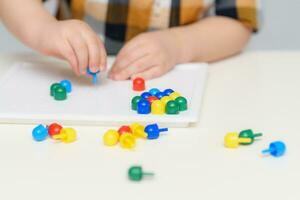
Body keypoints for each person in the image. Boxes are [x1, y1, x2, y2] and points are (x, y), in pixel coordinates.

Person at [0, 0, 261, 80]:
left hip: (178, 79)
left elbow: (236, 22)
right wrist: (45, 29)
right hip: (80, 81)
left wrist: (179, 45)